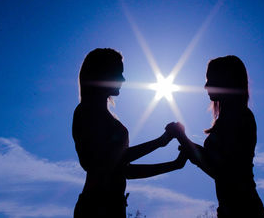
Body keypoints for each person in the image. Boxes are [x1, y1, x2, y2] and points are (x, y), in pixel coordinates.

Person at [73, 48, 187, 218]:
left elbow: (122, 170)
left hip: (112, 207)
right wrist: (160, 142)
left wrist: (174, 164)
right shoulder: (86, 112)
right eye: (118, 73)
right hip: (96, 208)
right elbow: (106, 163)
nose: (123, 79)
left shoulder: (99, 115)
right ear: (104, 74)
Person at [166, 55, 264, 217]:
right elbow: (220, 166)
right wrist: (189, 146)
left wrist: (185, 141)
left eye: (211, 79)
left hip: (243, 210)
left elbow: (225, 172)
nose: (206, 86)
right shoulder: (231, 118)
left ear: (226, 81)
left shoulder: (241, 118)